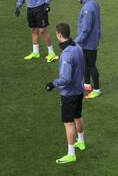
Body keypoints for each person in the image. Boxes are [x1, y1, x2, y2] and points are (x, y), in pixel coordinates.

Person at [45, 23, 85, 164]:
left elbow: (66, 79)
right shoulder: (78, 47)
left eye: (56, 34)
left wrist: (52, 84)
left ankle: (71, 153)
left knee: (68, 123)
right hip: (79, 90)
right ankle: (81, 141)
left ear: (60, 35)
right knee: (78, 116)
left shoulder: (67, 53)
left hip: (69, 94)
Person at [74, 0, 101, 99]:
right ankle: (87, 84)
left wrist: (76, 41)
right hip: (91, 39)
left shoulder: (87, 8)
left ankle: (96, 89)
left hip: (88, 41)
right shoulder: (94, 3)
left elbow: (86, 29)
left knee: (91, 65)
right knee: (85, 63)